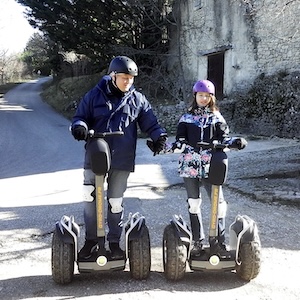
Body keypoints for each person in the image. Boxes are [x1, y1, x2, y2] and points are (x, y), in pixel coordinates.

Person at [71, 55, 167, 259]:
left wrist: (159, 138)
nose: (128, 81)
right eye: (124, 77)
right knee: (90, 199)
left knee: (115, 202)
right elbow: (80, 117)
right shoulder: (94, 95)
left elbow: (151, 123)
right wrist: (80, 127)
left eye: (131, 78)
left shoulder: (137, 99)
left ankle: (114, 242)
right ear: (113, 76)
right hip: (95, 155)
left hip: (122, 159)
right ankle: (91, 241)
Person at [173, 79, 245, 257]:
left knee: (219, 204)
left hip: (211, 165)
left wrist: (235, 142)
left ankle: (218, 241)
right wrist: (164, 146)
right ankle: (197, 241)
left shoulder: (216, 118)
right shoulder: (186, 118)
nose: (203, 99)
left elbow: (224, 138)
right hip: (189, 164)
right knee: (193, 203)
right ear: (195, 96)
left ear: (211, 97)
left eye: (207, 96)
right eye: (200, 95)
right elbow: (179, 140)